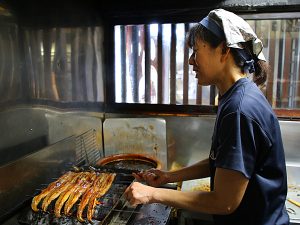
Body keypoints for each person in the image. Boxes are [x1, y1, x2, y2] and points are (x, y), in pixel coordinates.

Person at [124, 8, 289, 225]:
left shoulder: (239, 110)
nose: (191, 61)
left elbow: (224, 202)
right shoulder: (235, 97)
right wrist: (168, 177)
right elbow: (223, 162)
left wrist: (152, 194)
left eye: (196, 50)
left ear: (223, 50)